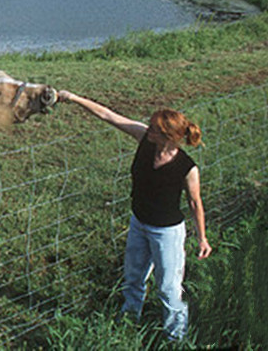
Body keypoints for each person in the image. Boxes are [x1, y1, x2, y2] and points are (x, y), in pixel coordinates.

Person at [57, 90, 212, 341]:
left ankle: (176, 337)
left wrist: (202, 238)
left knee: (168, 288)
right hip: (139, 223)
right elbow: (108, 115)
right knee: (133, 279)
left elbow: (195, 203)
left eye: (153, 128)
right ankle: (128, 324)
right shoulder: (144, 139)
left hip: (167, 233)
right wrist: (74, 98)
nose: (147, 129)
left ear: (168, 137)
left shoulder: (187, 168)